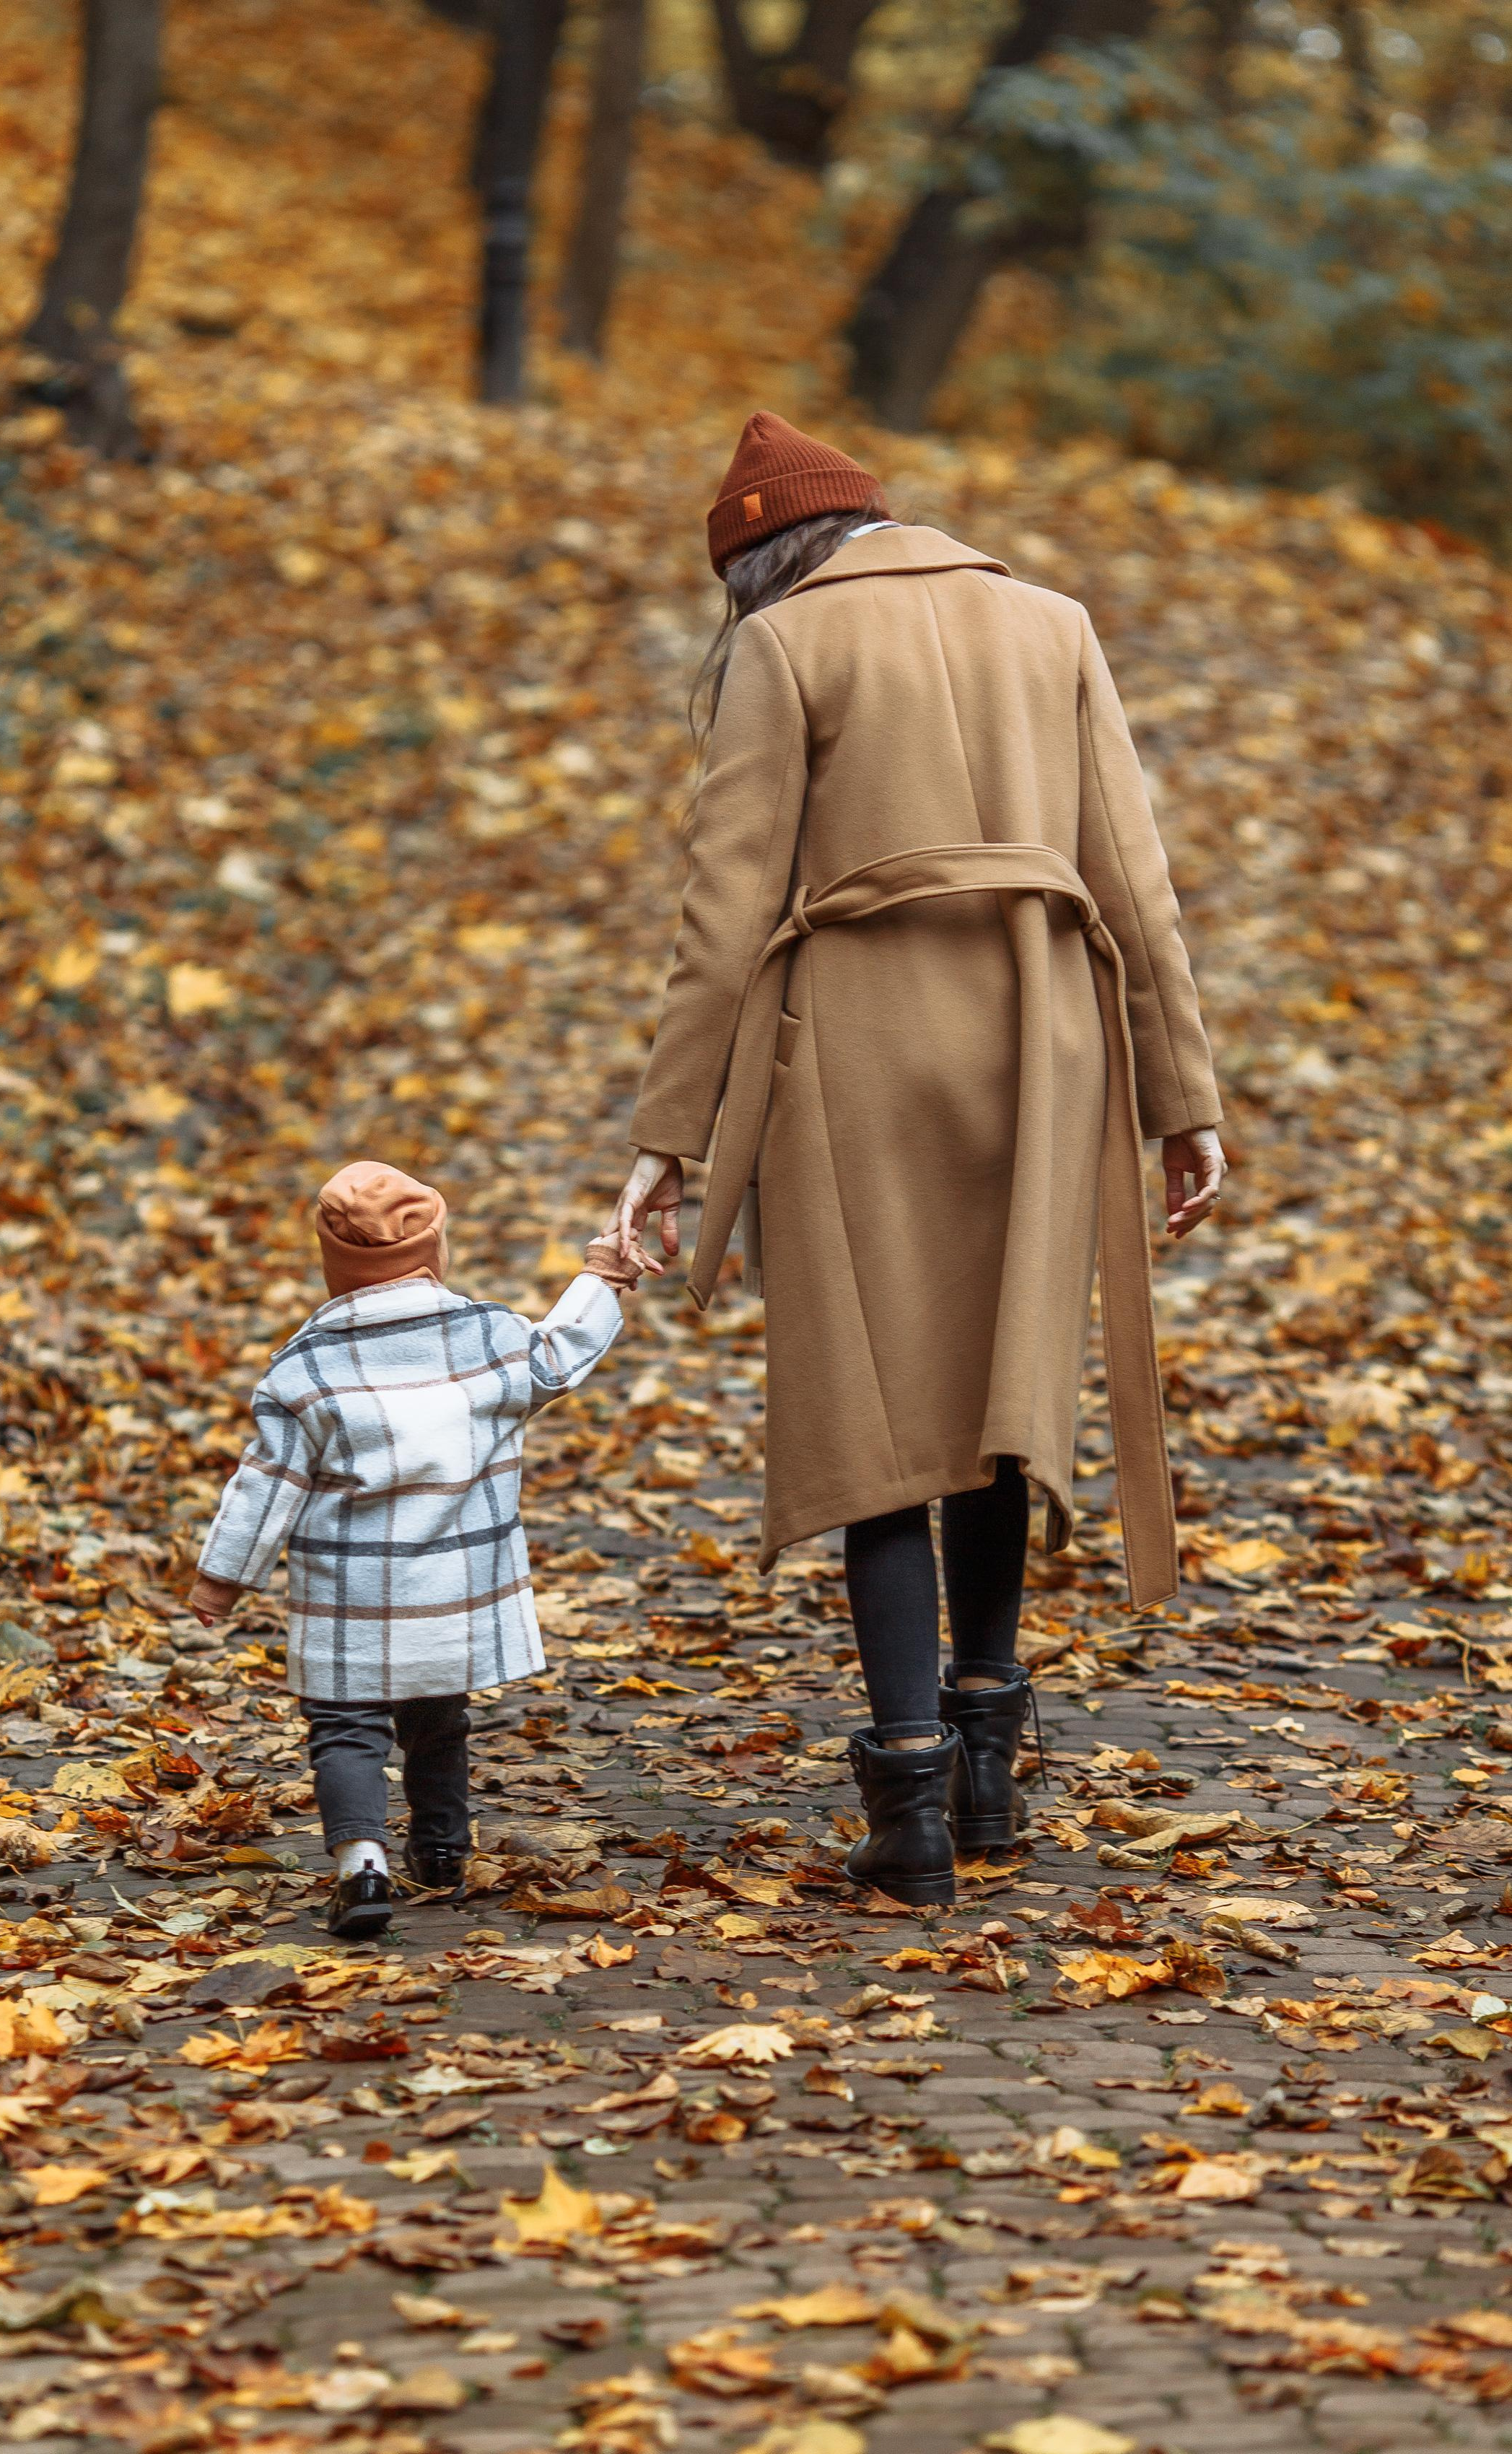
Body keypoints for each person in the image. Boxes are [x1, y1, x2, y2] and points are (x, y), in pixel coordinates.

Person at [613, 411, 1225, 1909]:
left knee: (874, 1407)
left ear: (761, 562)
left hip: (857, 1053)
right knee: (994, 1396)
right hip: (1039, 1039)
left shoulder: (784, 645)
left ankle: (906, 1800)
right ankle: (988, 1768)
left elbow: (723, 911)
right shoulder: (1050, 621)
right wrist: (1181, 1098)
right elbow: (1130, 874)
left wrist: (665, 1138)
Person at [188, 1161, 643, 1939]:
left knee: (345, 1728)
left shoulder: (304, 1368)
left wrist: (221, 1579)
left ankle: (361, 1864)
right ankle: (439, 1850)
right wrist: (603, 1273)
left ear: (334, 1264)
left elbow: (266, 1484)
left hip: (348, 1596)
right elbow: (560, 1352)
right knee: (438, 1720)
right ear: (434, 1251)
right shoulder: (490, 1337)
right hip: (450, 1590)